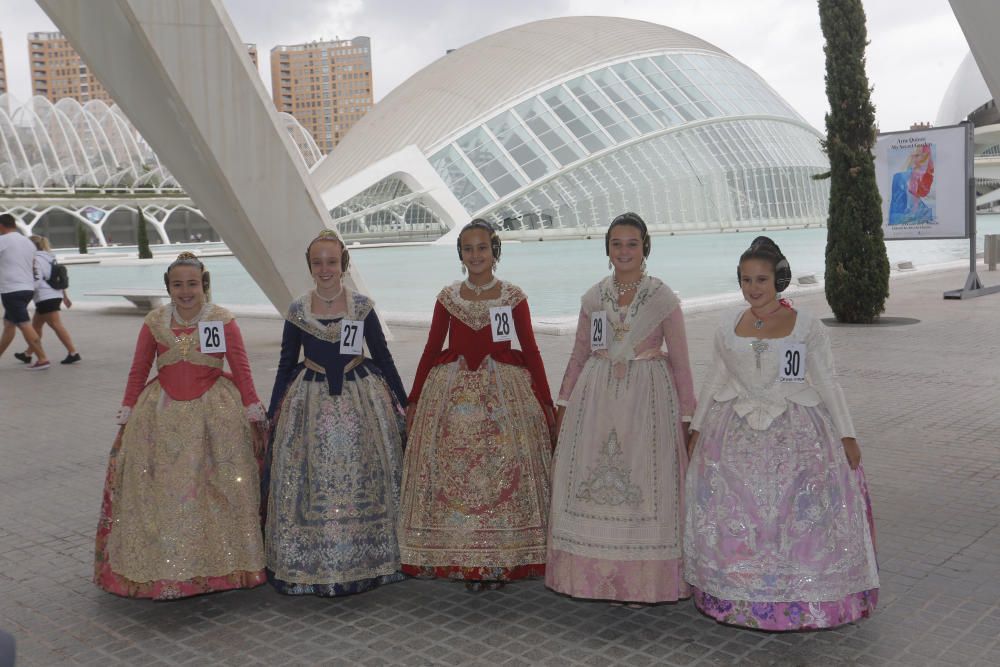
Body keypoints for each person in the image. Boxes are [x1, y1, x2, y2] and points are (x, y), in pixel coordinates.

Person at [684, 236, 878, 630]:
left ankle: (805, 597)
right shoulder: (728, 325)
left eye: (761, 279)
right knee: (739, 512)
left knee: (797, 512)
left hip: (797, 432)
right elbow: (714, 377)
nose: (753, 288)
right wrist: (697, 425)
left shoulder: (804, 327)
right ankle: (738, 593)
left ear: (779, 280)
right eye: (745, 280)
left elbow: (827, 381)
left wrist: (847, 434)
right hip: (735, 431)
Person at [94, 252, 268, 599]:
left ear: (203, 285)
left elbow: (240, 365)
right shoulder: (155, 321)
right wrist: (128, 406)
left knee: (217, 488)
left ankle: (225, 565)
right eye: (177, 285)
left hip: (215, 415)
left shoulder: (221, 319)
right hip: (162, 415)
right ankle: (170, 568)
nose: (185, 291)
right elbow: (139, 368)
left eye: (192, 284)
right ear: (168, 288)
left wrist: (251, 403)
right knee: (170, 493)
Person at [546, 212, 696, 605]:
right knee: (592, 482)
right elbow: (580, 354)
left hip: (647, 400)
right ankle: (592, 577)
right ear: (607, 249)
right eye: (617, 244)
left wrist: (687, 417)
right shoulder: (594, 298)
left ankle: (641, 580)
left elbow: (681, 361)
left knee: (646, 485)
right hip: (595, 400)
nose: (624, 251)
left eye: (632, 243)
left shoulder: (663, 298)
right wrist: (562, 404)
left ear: (645, 247)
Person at [399, 219, 554, 591]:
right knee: (457, 471)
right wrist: (416, 397)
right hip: (452, 395)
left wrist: (546, 401)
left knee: (504, 467)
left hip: (504, 395)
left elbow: (529, 347)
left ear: (494, 251)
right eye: (468, 248)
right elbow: (432, 347)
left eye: (482, 247)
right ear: (460, 255)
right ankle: (463, 555)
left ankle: (501, 557)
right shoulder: (448, 298)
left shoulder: (513, 296)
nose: (475, 255)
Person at [264, 230, 407, 597]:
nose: (324, 268)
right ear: (310, 266)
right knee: (311, 477)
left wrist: (406, 402)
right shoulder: (297, 311)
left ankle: (369, 558)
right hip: (309, 402)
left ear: (342, 264)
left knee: (364, 473)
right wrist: (273, 411)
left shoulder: (361, 307)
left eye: (331, 261)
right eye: (317, 262)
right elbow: (284, 364)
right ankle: (317, 561)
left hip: (361, 399)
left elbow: (383, 356)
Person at [14, 235, 81, 365]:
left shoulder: (36, 259)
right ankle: (28, 354)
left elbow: (37, 280)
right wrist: (65, 296)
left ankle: (73, 352)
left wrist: (25, 294)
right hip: (54, 294)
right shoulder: (50, 257)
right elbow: (56, 278)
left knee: (56, 325)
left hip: (45, 296)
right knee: (36, 326)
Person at [0, 214, 49, 369]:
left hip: (11, 289)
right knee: (9, 325)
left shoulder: (3, 240)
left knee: (24, 324)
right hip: (27, 288)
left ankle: (42, 359)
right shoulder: (28, 243)